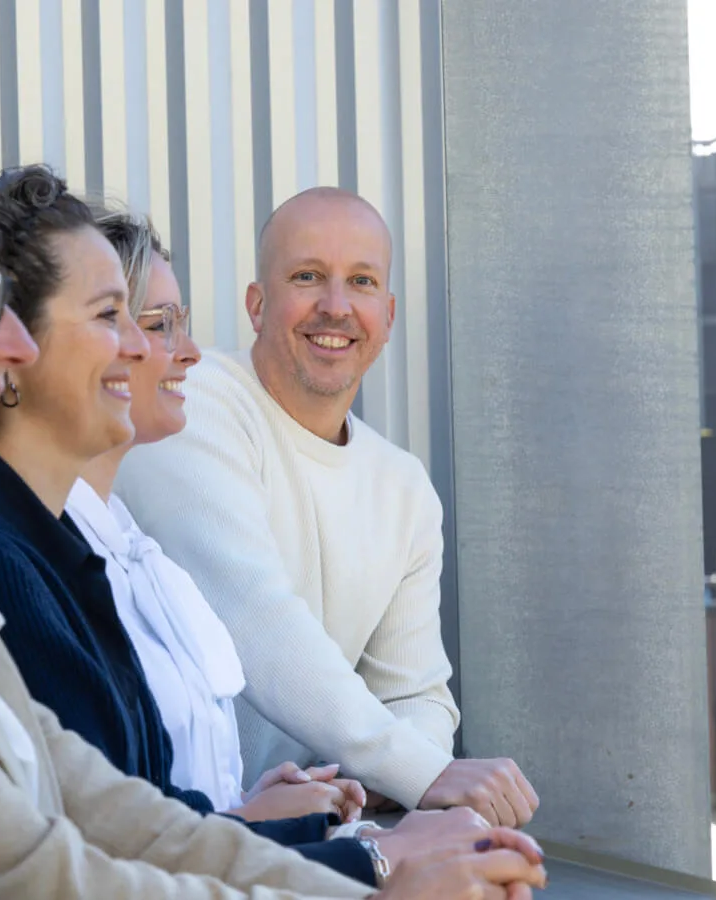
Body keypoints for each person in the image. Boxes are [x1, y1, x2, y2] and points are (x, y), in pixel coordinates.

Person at [0, 135, 548, 899]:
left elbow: (122, 813)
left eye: (364, 282)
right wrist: (376, 868)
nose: (2, 344)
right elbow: (49, 867)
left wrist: (382, 846)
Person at [114, 187, 539, 828]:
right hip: (175, 837)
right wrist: (419, 773)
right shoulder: (192, 407)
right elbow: (256, 621)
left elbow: (412, 689)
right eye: (307, 276)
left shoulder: (404, 487)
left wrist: (381, 780)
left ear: (388, 315)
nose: (335, 307)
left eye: (361, 282)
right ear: (258, 305)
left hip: (313, 832)